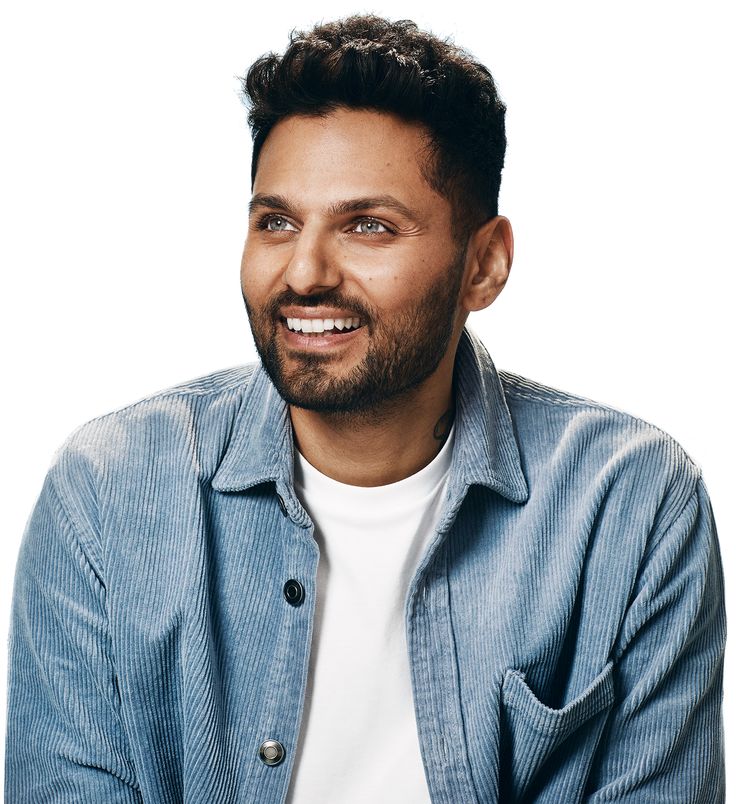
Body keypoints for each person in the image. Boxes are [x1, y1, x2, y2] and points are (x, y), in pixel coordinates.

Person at [4, 13, 725, 803]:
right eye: (276, 221)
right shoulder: (107, 495)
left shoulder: (630, 505)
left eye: (368, 226)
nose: (305, 270)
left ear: (484, 266)